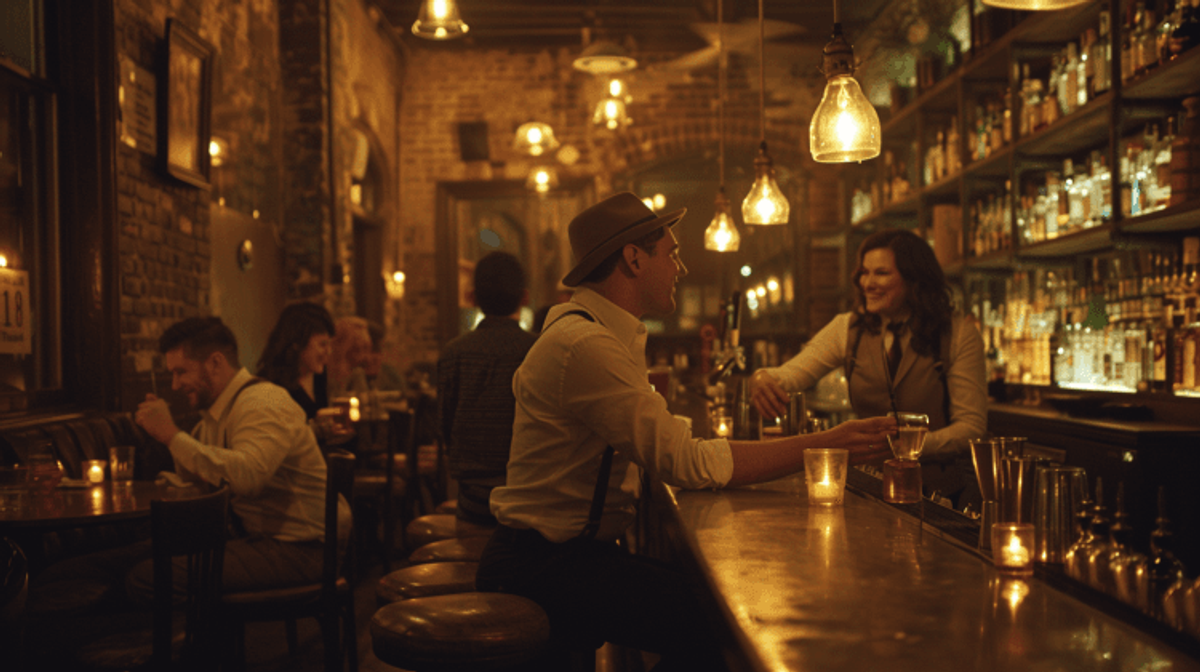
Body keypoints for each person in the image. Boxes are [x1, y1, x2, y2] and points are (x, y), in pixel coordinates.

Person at [476, 192, 895, 671]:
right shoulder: (586, 344)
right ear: (634, 259)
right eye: (671, 253)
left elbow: (664, 435)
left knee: (705, 604)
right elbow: (686, 462)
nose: (681, 267)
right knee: (722, 621)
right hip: (543, 566)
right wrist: (825, 444)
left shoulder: (600, 334)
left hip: (558, 555)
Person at [31, 317, 347, 617]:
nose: (175, 384)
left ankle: (189, 656)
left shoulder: (263, 402)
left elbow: (249, 477)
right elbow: (203, 485)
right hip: (254, 539)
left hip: (303, 550)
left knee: (148, 578)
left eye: (181, 372)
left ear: (215, 363)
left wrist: (170, 435)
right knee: (73, 571)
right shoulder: (215, 416)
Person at [749, 228, 987, 503]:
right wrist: (761, 378)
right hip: (870, 489)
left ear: (914, 280)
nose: (868, 283)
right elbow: (790, 375)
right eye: (864, 272)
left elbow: (971, 427)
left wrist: (906, 447)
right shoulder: (848, 328)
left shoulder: (958, 334)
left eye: (881, 273)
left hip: (939, 496)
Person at [437, 251, 537, 526]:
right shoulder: (539, 350)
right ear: (524, 297)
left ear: (473, 298)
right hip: (530, 498)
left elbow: (446, 427)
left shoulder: (453, 353)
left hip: (472, 500)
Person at [257, 302, 336, 419]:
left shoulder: (318, 375)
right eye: (322, 344)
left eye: (330, 344)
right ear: (297, 343)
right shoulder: (271, 385)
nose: (329, 351)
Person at [328, 315, 372, 396]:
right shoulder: (321, 374)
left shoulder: (358, 372)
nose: (366, 358)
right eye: (357, 350)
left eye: (366, 349)